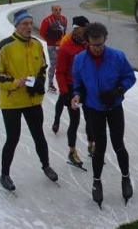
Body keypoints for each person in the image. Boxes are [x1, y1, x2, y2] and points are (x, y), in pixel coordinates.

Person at [0, 9, 58, 191]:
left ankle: (46, 165)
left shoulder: (36, 44)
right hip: (11, 102)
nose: (28, 27)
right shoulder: (5, 46)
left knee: (39, 135)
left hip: (33, 101)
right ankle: (4, 175)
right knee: (13, 138)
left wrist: (41, 81)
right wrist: (14, 83)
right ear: (16, 26)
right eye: (24, 24)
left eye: (30, 23)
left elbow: (43, 67)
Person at [71, 22, 136, 208]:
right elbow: (78, 84)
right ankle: (97, 181)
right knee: (99, 147)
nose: (98, 49)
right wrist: (76, 95)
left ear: (105, 40)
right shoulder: (80, 60)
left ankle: (125, 178)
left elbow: (130, 77)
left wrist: (119, 90)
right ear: (87, 43)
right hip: (94, 109)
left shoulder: (117, 56)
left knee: (119, 145)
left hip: (114, 107)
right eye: (94, 45)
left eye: (101, 44)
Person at [54, 16, 95, 167]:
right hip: (72, 90)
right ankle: (72, 151)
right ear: (76, 29)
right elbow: (60, 72)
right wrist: (64, 92)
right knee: (75, 121)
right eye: (83, 29)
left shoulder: (89, 45)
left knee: (90, 118)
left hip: (87, 88)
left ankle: (91, 145)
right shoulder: (66, 48)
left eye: (87, 29)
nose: (85, 32)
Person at [39, 5, 68, 93]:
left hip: (62, 45)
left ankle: (64, 83)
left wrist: (62, 41)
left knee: (64, 64)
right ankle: (50, 84)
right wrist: (49, 41)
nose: (58, 11)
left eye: (60, 9)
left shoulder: (64, 19)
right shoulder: (47, 20)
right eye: (56, 10)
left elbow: (64, 31)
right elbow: (42, 33)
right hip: (52, 46)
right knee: (54, 64)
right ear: (52, 10)